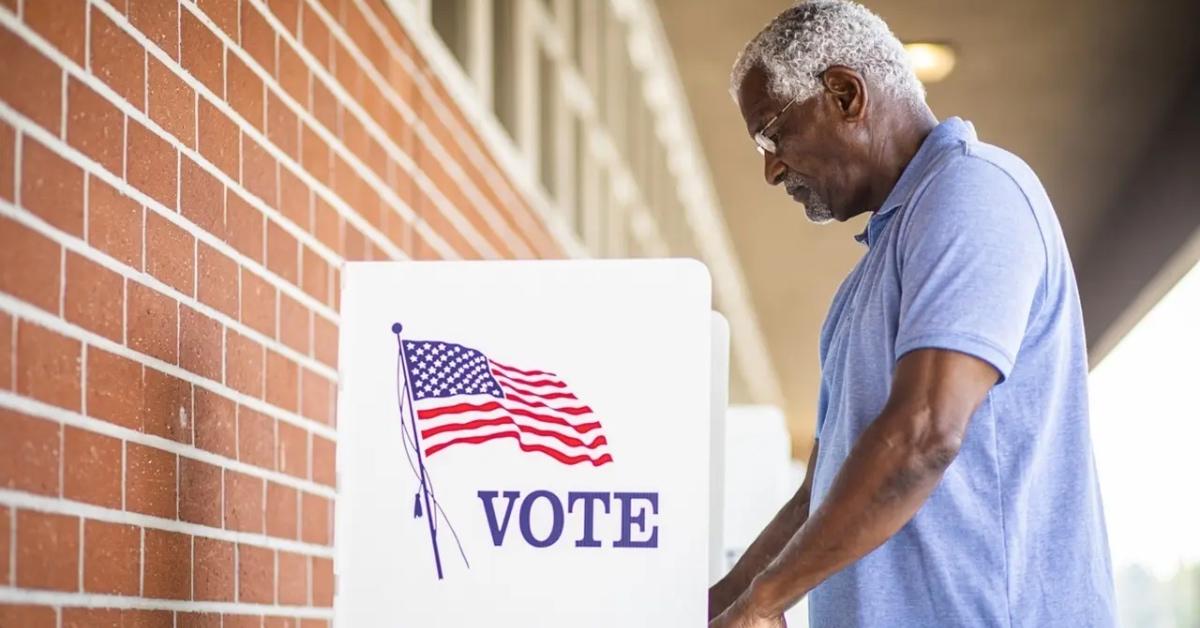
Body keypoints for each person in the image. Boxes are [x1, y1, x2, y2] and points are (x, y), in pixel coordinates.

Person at [709, 2, 1116, 626]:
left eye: (771, 135)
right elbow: (818, 496)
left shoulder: (975, 191)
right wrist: (717, 603)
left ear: (845, 94)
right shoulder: (862, 284)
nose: (771, 169)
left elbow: (925, 433)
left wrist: (767, 602)